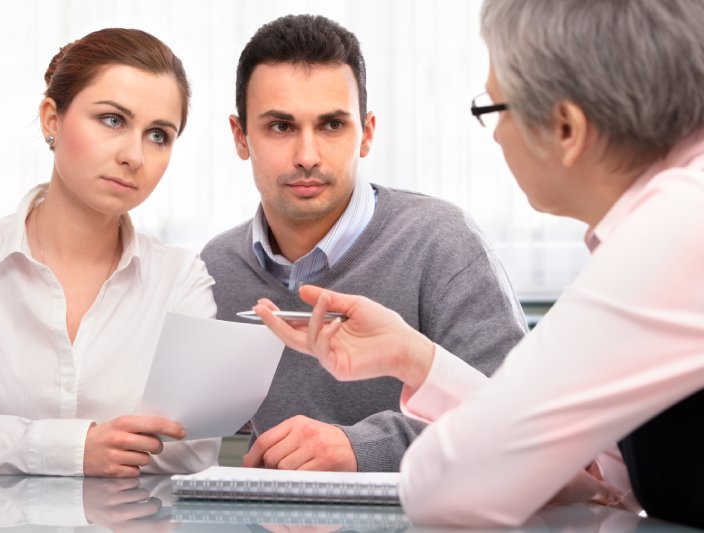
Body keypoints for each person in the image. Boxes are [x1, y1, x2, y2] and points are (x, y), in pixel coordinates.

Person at [254, 0, 704, 528]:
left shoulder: (675, 231)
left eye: (494, 109)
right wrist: (417, 360)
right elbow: (599, 480)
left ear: (566, 128)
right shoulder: (672, 213)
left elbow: (446, 488)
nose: (494, 136)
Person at [201, 14, 527, 473]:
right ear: (240, 137)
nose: (307, 156)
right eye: (280, 127)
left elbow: (518, 419)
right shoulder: (216, 268)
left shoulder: (442, 243)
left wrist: (361, 448)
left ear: (367, 133)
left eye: (332, 125)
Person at [0, 28, 220, 476]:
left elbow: (191, 449)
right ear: (52, 119)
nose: (134, 155)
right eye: (112, 120)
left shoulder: (181, 278)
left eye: (158, 135)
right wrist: (69, 449)